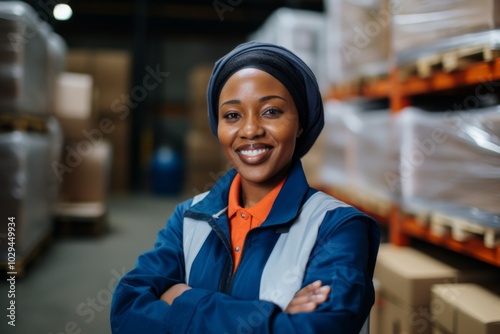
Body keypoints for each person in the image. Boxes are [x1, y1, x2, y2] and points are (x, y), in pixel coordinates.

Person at [110, 41, 380, 334]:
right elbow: (127, 309)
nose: (250, 130)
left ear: (300, 123)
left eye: (271, 111)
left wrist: (182, 298)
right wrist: (275, 318)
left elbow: (321, 328)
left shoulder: (337, 227)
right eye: (232, 115)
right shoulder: (189, 217)